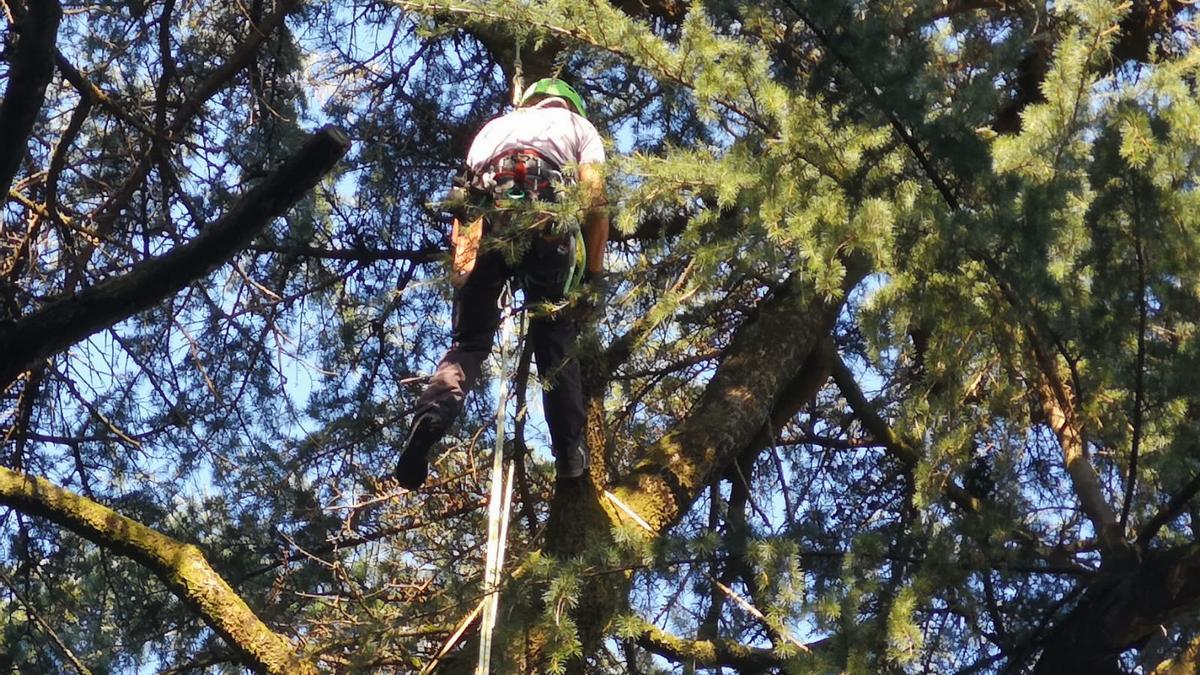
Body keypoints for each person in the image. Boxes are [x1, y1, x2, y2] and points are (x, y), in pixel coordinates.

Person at [392, 78, 609, 490]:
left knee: (469, 344)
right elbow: (595, 196)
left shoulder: (492, 128)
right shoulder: (581, 129)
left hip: (487, 227)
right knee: (555, 335)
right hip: (547, 227)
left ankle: (430, 418)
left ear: (529, 102)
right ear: (570, 106)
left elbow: (465, 203)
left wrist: (465, 269)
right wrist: (593, 279)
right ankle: (568, 452)